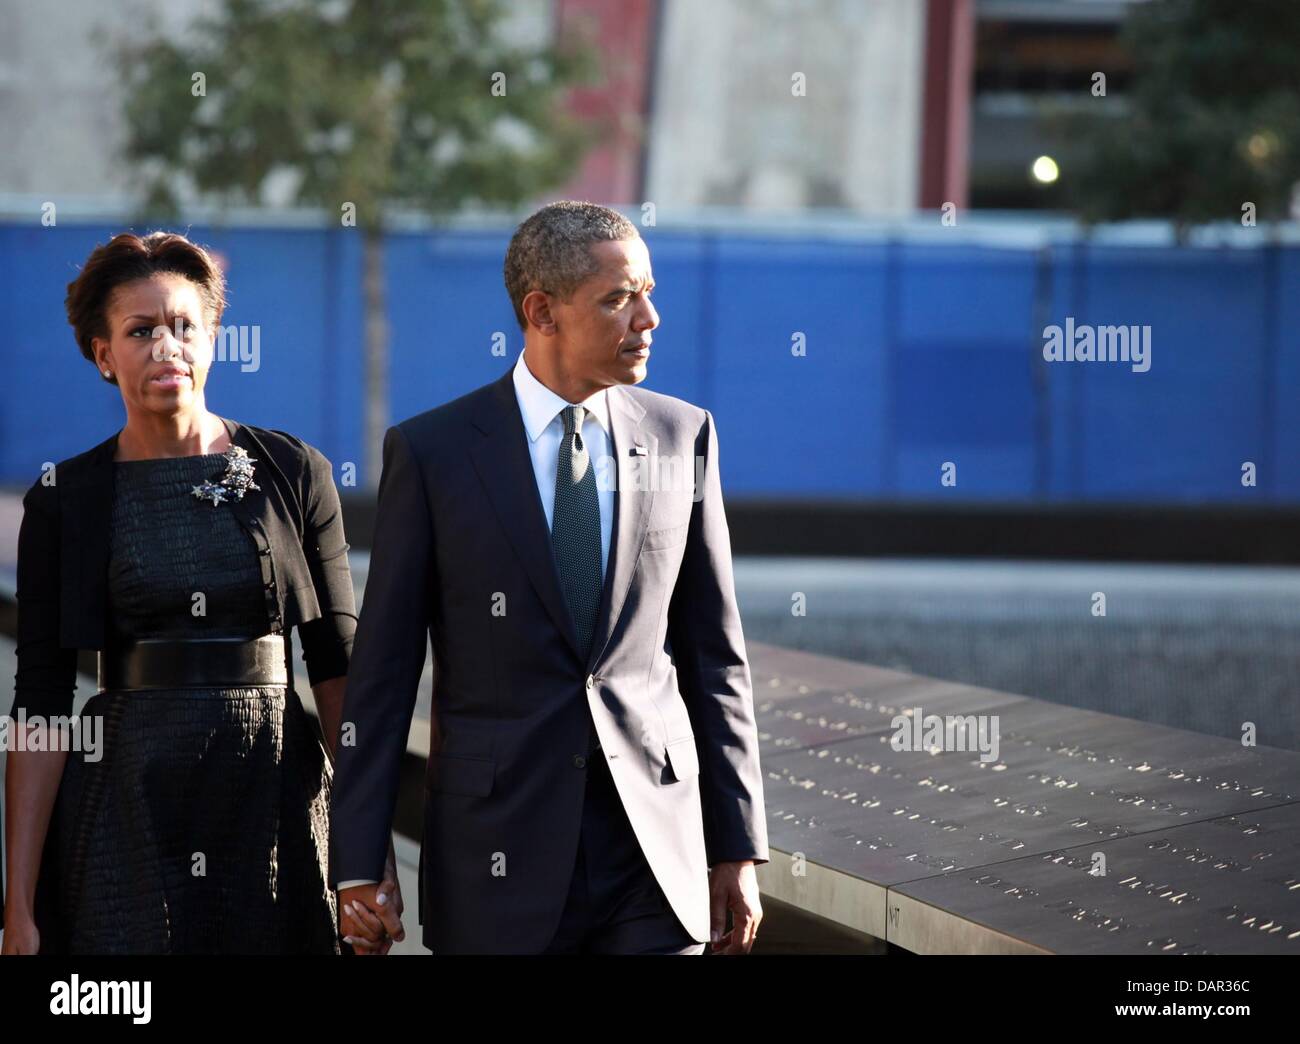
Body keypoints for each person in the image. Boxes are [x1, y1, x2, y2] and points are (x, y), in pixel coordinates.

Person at [329, 201, 769, 955]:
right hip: (496, 855)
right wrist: (358, 861)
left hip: (653, 855)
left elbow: (714, 658)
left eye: (649, 292)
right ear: (542, 312)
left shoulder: (682, 435)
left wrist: (737, 846)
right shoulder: (435, 454)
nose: (649, 318)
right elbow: (383, 673)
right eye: (619, 298)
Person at [1, 231, 400, 954]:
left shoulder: (293, 470)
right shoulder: (67, 498)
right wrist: (17, 907)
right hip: (127, 801)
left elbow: (340, 670)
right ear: (102, 353)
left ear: (214, 339)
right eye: (141, 330)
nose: (167, 346)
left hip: (271, 791)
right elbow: (39, 704)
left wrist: (366, 859)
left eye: (185, 326)